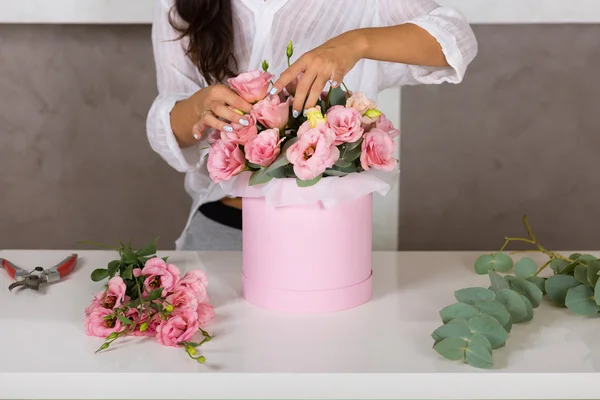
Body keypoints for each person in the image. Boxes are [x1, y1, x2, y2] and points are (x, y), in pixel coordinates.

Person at [146, 0, 478, 251]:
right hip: (221, 227)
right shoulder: (180, 4)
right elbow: (171, 131)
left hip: (326, 233)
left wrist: (354, 43)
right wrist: (198, 106)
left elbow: (455, 40)